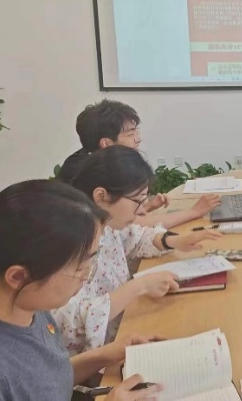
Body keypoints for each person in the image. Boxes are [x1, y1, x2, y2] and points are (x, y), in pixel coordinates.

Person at [0, 179, 161, 400]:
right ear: (19, 277)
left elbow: (46, 385)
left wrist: (104, 356)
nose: (87, 276)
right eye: (80, 267)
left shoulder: (29, 307)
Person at [54, 145, 223, 354]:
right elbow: (69, 324)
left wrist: (173, 241)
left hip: (124, 327)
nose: (143, 210)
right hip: (99, 356)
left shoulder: (107, 225)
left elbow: (136, 236)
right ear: (101, 196)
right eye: (138, 201)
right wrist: (138, 287)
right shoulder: (69, 246)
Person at [57, 99, 221, 229]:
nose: (138, 139)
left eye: (136, 131)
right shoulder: (91, 172)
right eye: (130, 134)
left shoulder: (96, 159)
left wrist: (146, 207)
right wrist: (194, 212)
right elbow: (133, 227)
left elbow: (116, 217)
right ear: (106, 143)